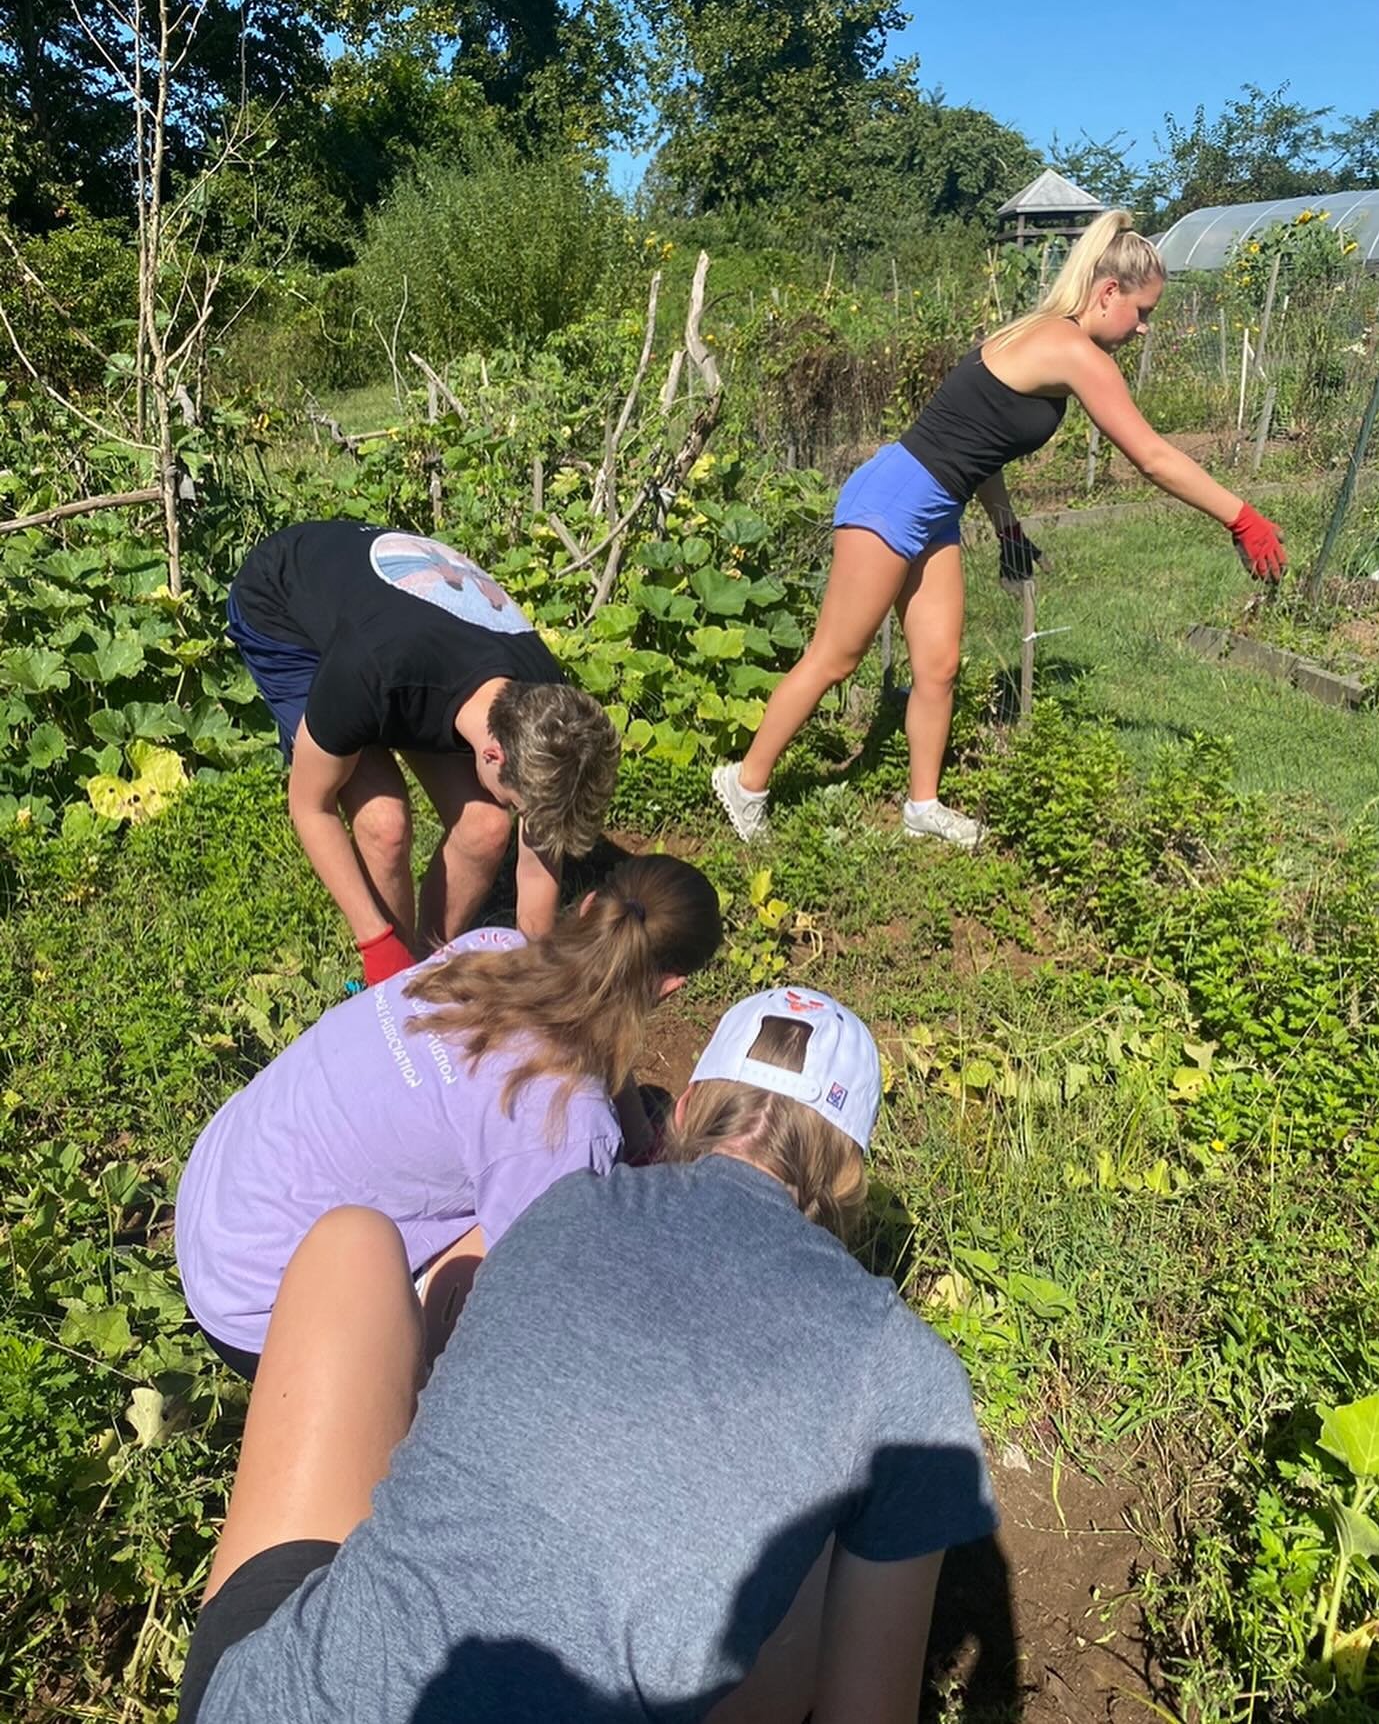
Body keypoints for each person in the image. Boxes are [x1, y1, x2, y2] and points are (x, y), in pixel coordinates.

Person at [177, 985, 997, 1724]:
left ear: (684, 1111)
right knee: (817, 1519)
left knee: (349, 1244)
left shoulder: (565, 1201)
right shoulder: (901, 1370)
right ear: (849, 1177)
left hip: (275, 1699)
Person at [712, 210, 1288, 852]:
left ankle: (922, 806)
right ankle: (745, 783)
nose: (1145, 326)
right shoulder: (1074, 352)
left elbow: (979, 447)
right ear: (1107, 293)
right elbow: (1151, 457)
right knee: (837, 657)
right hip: (895, 499)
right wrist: (1241, 514)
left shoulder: (1043, 335)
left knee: (938, 665)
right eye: (1142, 310)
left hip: (935, 507)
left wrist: (1006, 526)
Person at [174, 854, 723, 1376]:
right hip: (262, 1316)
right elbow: (536, 1295)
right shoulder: (565, 1122)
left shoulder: (489, 948)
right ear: (672, 986)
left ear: (589, 906)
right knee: (546, 1256)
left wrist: (634, 1130)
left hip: (214, 1207)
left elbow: (593, 1040)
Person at [226, 522, 622, 983]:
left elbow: (537, 861)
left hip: (406, 640)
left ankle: (422, 972)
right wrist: (377, 944)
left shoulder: (548, 715)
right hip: (285, 612)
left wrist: (539, 971)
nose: (518, 813)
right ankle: (388, 980)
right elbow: (310, 807)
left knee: (486, 829)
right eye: (520, 804)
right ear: (494, 755)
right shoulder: (372, 668)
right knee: (384, 825)